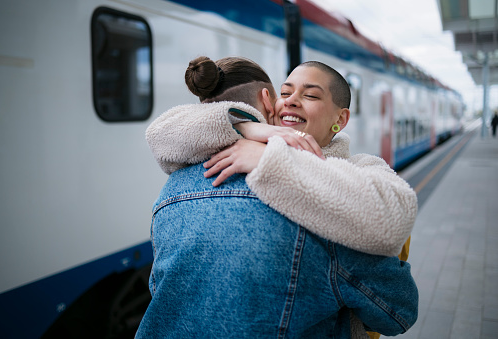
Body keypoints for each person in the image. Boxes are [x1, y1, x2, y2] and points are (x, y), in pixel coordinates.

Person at [136, 56, 418, 338]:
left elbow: (395, 213)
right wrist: (244, 126)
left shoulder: (363, 170)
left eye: (310, 95)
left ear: (340, 119)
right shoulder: (232, 160)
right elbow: (397, 312)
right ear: (270, 104)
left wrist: (269, 159)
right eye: (285, 93)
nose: (291, 100)